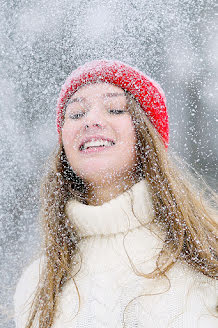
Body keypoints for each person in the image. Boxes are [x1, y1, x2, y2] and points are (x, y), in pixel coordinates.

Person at [14, 60, 217, 328]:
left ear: (147, 134)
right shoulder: (38, 284)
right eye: (76, 114)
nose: (91, 121)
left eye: (115, 109)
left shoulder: (207, 255)